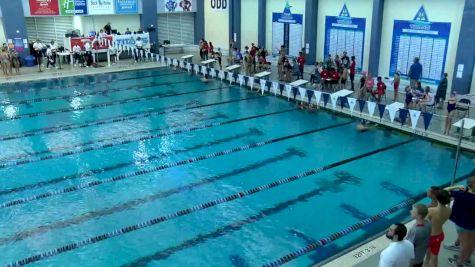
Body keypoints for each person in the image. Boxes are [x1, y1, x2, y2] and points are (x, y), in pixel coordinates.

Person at [445, 177, 475, 267]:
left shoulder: (461, 195)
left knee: (464, 244)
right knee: (472, 242)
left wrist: (457, 186)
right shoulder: (464, 194)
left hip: (462, 222)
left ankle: (459, 263)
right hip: (473, 222)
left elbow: (444, 191)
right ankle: (467, 260)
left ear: (468, 185)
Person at [426, 189, 451, 267]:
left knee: (428, 251)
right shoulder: (449, 210)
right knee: (434, 255)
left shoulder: (431, 210)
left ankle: (426, 263)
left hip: (430, 237)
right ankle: (427, 263)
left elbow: (424, 223)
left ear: (437, 198)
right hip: (440, 235)